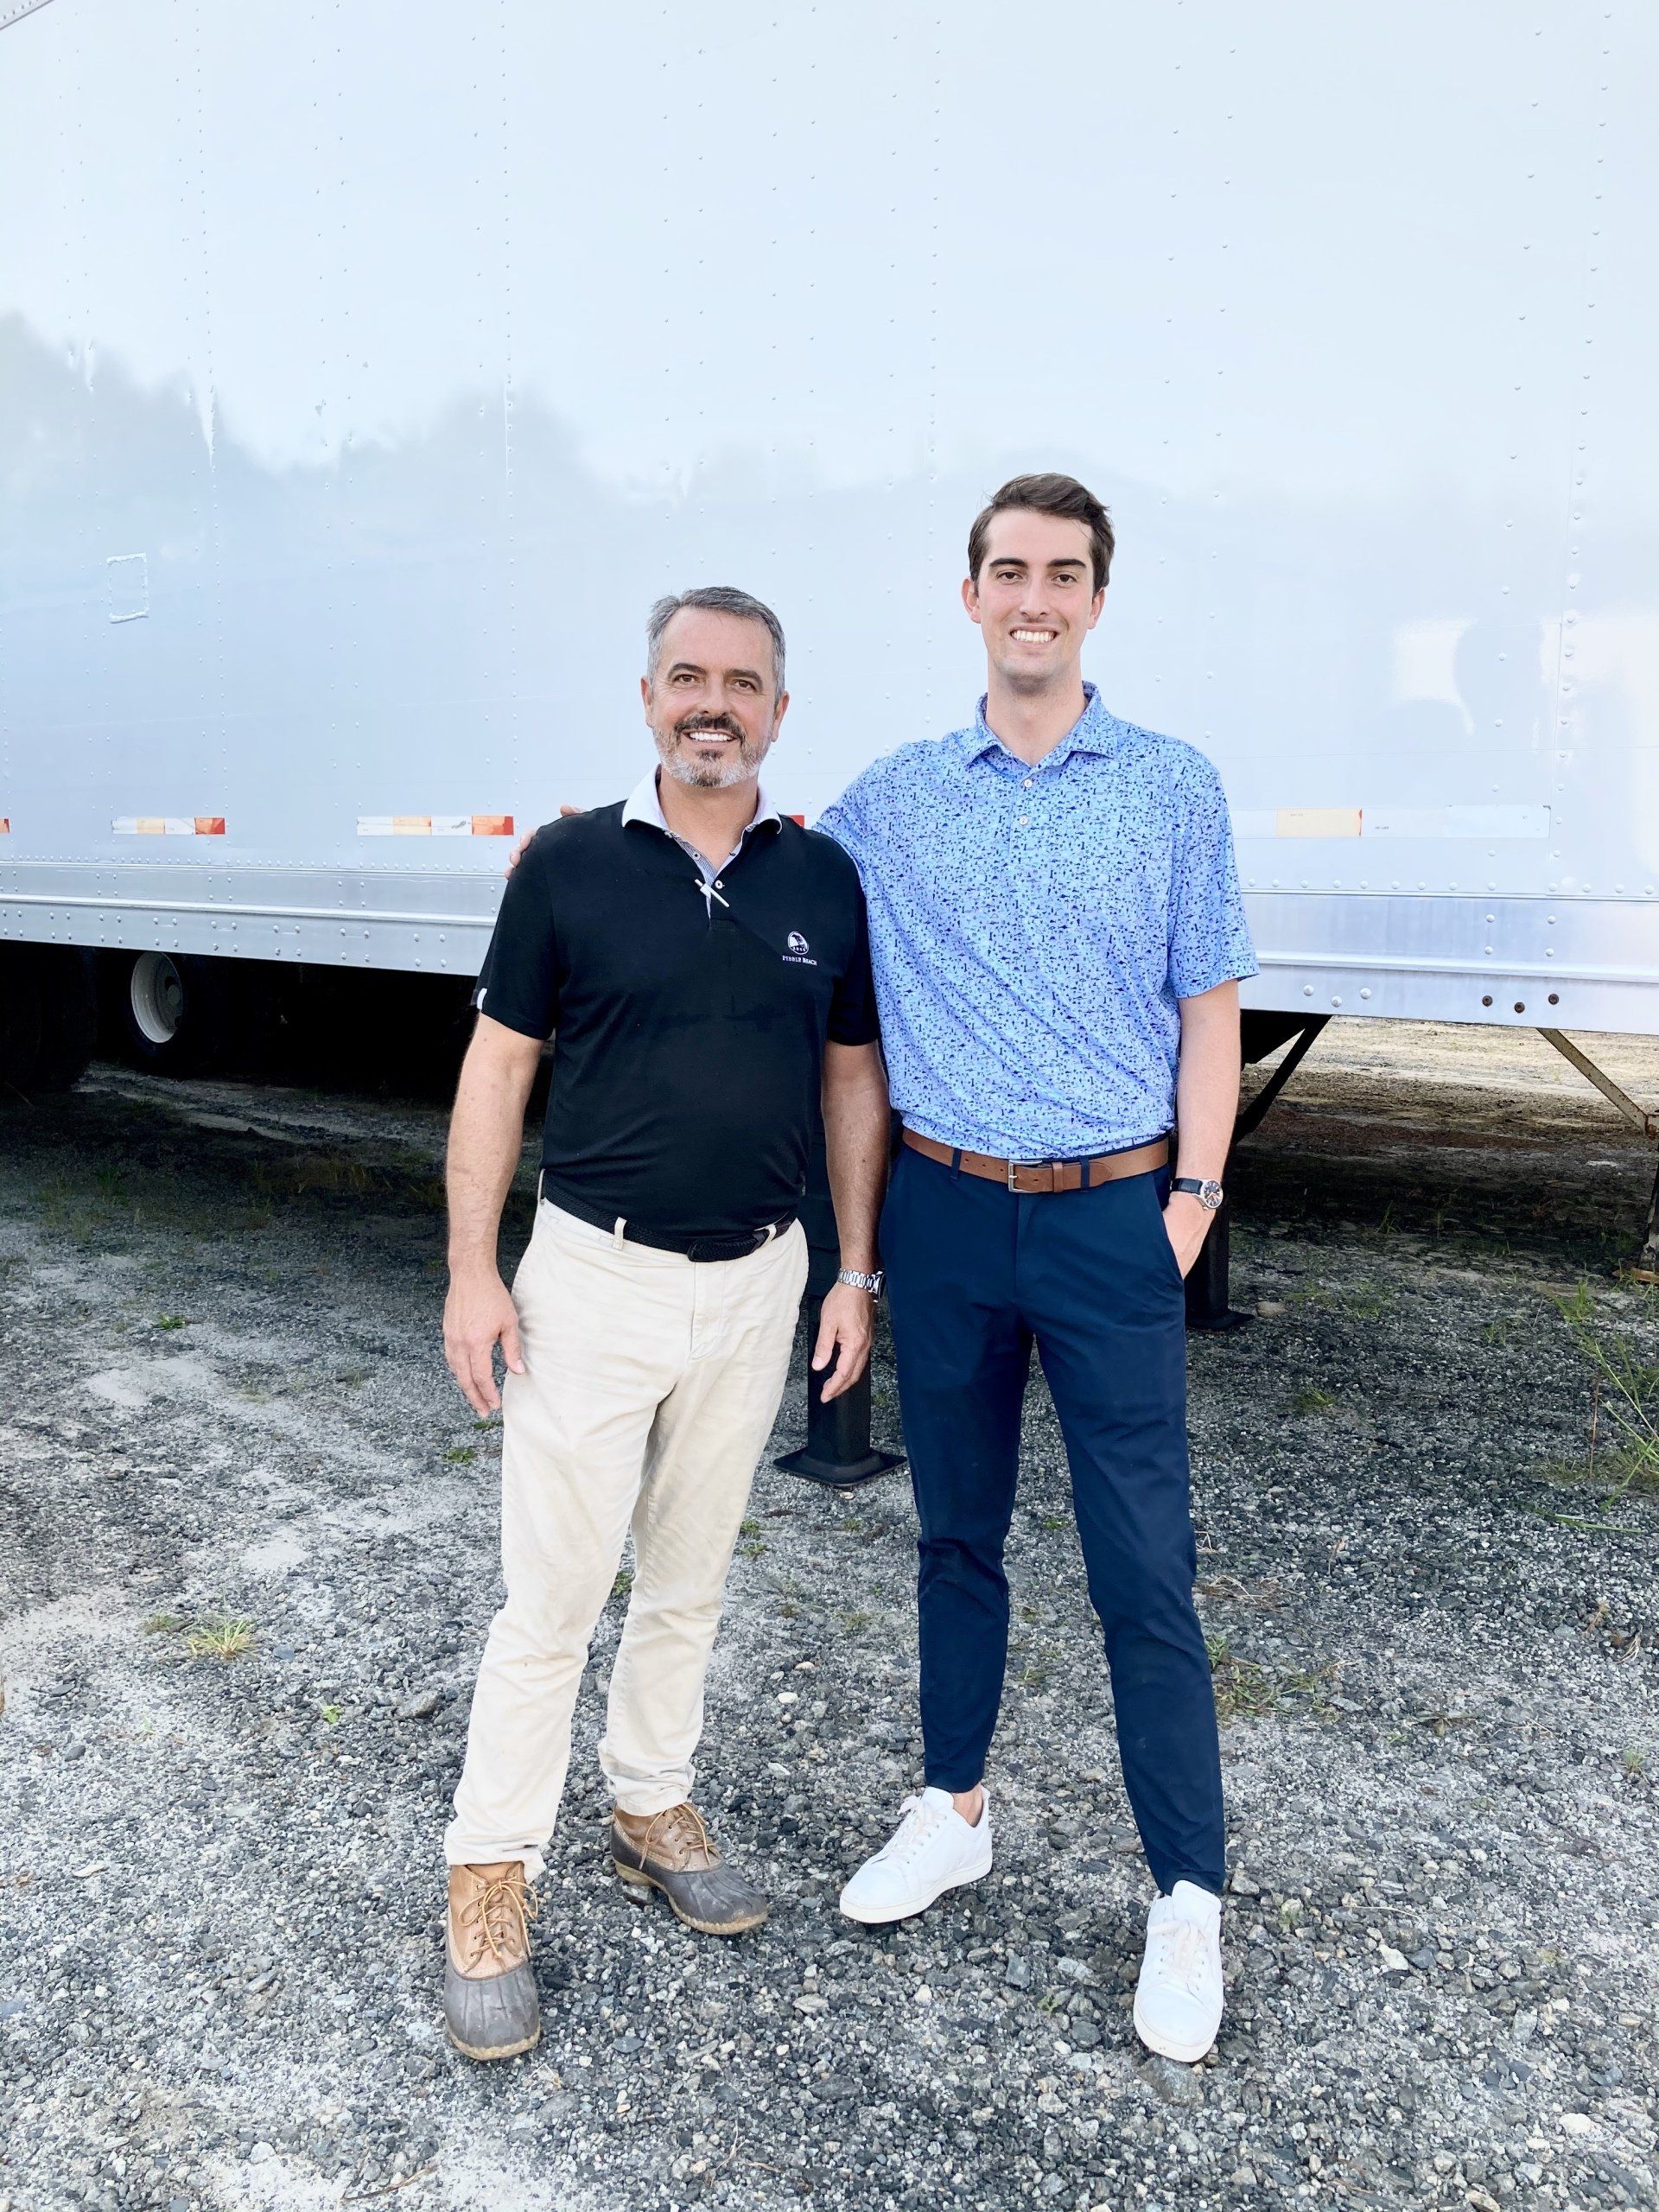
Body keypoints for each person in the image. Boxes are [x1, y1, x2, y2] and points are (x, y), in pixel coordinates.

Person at [821, 474, 1256, 2066]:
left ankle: (1187, 1895)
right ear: (969, 596)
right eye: (1009, 571)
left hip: (1109, 1220)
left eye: (1064, 575)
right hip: (942, 1217)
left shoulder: (1169, 785)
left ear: (1095, 599)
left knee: (1144, 1564)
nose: (1035, 598)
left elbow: (1210, 1006)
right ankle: (954, 1807)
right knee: (956, 1533)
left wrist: (1193, 1202)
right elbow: (777, 879)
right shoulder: (898, 795)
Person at [439, 585, 889, 2063]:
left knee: (687, 1582)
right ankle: (489, 1876)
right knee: (552, 1602)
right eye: (686, 678)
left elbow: (847, 1085)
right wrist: (472, 1269)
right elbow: (499, 1073)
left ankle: (648, 1806)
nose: (715, 704)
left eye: (743, 683)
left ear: (778, 708)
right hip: (594, 1278)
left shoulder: (822, 884)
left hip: (759, 1279)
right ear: (646, 700)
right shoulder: (566, 867)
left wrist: (852, 1268)